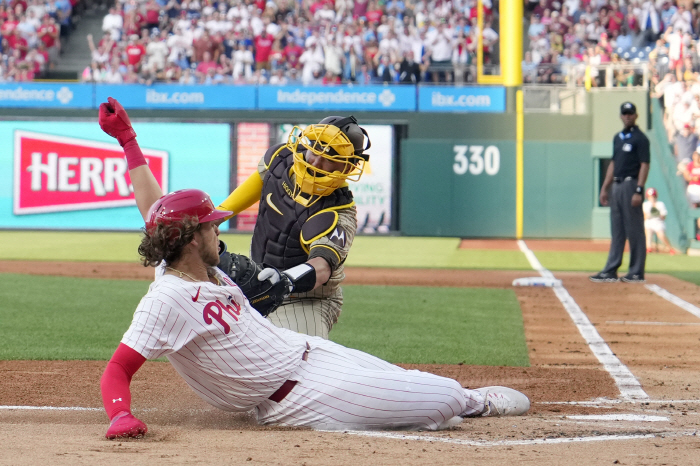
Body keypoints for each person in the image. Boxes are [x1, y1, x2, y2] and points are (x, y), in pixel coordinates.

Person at [96, 100, 531, 438]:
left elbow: (321, 266)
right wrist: (128, 140)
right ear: (190, 238)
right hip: (294, 388)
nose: (220, 230)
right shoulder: (169, 294)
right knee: (443, 399)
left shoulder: (328, 213)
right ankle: (464, 401)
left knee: (397, 378)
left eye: (333, 160)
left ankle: (435, 401)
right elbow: (161, 213)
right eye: (209, 227)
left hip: (306, 311)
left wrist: (285, 280)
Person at [217, 116, 371, 339]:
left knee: (299, 362)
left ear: (348, 166)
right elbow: (246, 192)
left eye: (329, 158)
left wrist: (283, 281)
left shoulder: (338, 212)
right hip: (258, 286)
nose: (315, 161)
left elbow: (321, 267)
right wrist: (213, 218)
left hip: (305, 299)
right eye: (314, 150)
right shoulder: (280, 160)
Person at [590, 102, 650, 284]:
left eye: (630, 113)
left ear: (636, 115)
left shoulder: (641, 139)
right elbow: (613, 164)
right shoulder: (618, 138)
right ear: (621, 116)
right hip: (616, 185)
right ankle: (611, 269)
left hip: (631, 185)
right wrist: (605, 187)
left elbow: (644, 165)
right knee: (617, 230)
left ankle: (636, 271)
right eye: (625, 113)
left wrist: (639, 190)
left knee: (635, 229)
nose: (628, 116)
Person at [643, 188, 677, 254]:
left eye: (653, 196)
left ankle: (670, 248)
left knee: (661, 235)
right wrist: (650, 215)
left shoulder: (660, 204)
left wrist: (657, 214)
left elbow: (663, 217)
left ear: (655, 196)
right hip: (649, 222)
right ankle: (648, 248)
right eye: (650, 196)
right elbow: (644, 216)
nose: (652, 198)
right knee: (648, 233)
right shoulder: (645, 204)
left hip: (658, 223)